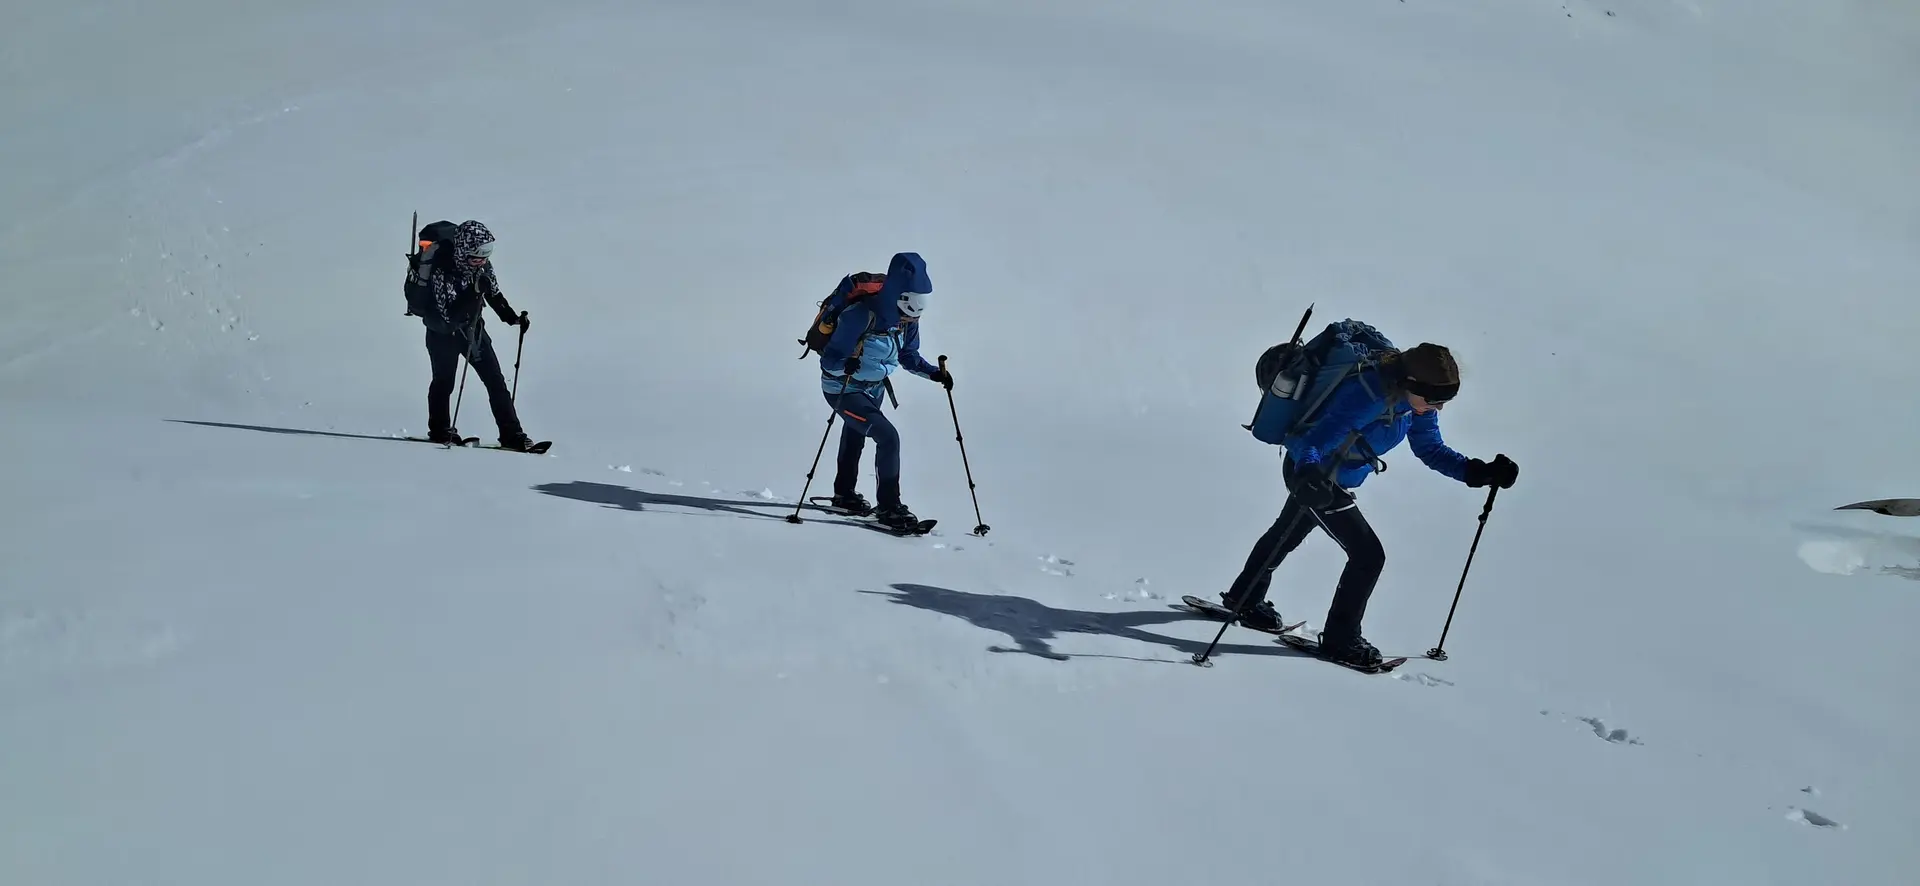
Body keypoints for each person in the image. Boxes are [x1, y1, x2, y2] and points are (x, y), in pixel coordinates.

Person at [1219, 342, 1518, 668]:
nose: (1438, 408)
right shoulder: (1369, 395)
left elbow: (1431, 449)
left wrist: (1477, 472)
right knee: (1368, 555)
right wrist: (1308, 474)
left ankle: (1245, 597)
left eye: (1444, 401)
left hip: (1331, 477)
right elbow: (1317, 440)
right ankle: (1340, 639)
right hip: (1318, 476)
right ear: (1411, 384)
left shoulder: (1415, 406)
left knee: (1286, 533)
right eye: (1435, 400)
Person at [816, 252, 952, 532]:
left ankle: (844, 494)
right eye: (912, 302)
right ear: (897, 295)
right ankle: (889, 506)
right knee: (888, 437)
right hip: (842, 388)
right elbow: (829, 362)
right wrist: (846, 366)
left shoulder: (907, 321)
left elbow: (909, 356)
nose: (915, 312)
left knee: (856, 435)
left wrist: (934, 374)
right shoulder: (860, 315)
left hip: (874, 388)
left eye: (921, 303)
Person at [415, 220, 537, 450]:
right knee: (444, 383)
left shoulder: (482, 267)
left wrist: (512, 318)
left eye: (486, 254)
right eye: (476, 255)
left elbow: (494, 294)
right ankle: (441, 430)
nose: (482, 260)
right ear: (462, 250)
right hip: (442, 334)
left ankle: (512, 434)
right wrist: (473, 292)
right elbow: (448, 315)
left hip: (473, 332)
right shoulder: (443, 269)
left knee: (496, 382)